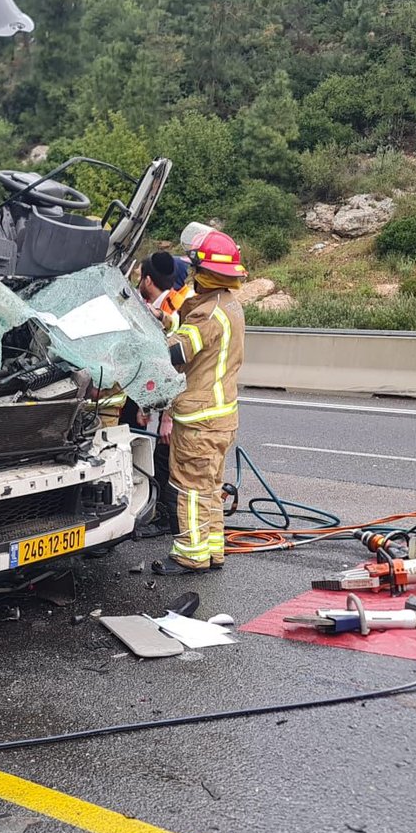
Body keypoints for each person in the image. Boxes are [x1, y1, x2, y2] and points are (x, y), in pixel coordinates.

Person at [151, 224, 246, 574]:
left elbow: (179, 350)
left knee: (190, 489)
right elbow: (188, 324)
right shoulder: (229, 305)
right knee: (210, 488)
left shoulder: (207, 313)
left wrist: (146, 342)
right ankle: (213, 552)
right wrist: (163, 317)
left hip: (199, 418)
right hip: (222, 417)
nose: (190, 272)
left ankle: (190, 555)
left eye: (194, 266)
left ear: (203, 271)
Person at [130, 251, 193, 540]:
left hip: (178, 405)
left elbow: (175, 370)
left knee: (168, 461)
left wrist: (167, 416)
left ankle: (168, 521)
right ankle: (160, 514)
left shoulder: (175, 312)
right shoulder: (159, 307)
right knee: (158, 458)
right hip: (161, 401)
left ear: (147, 280)